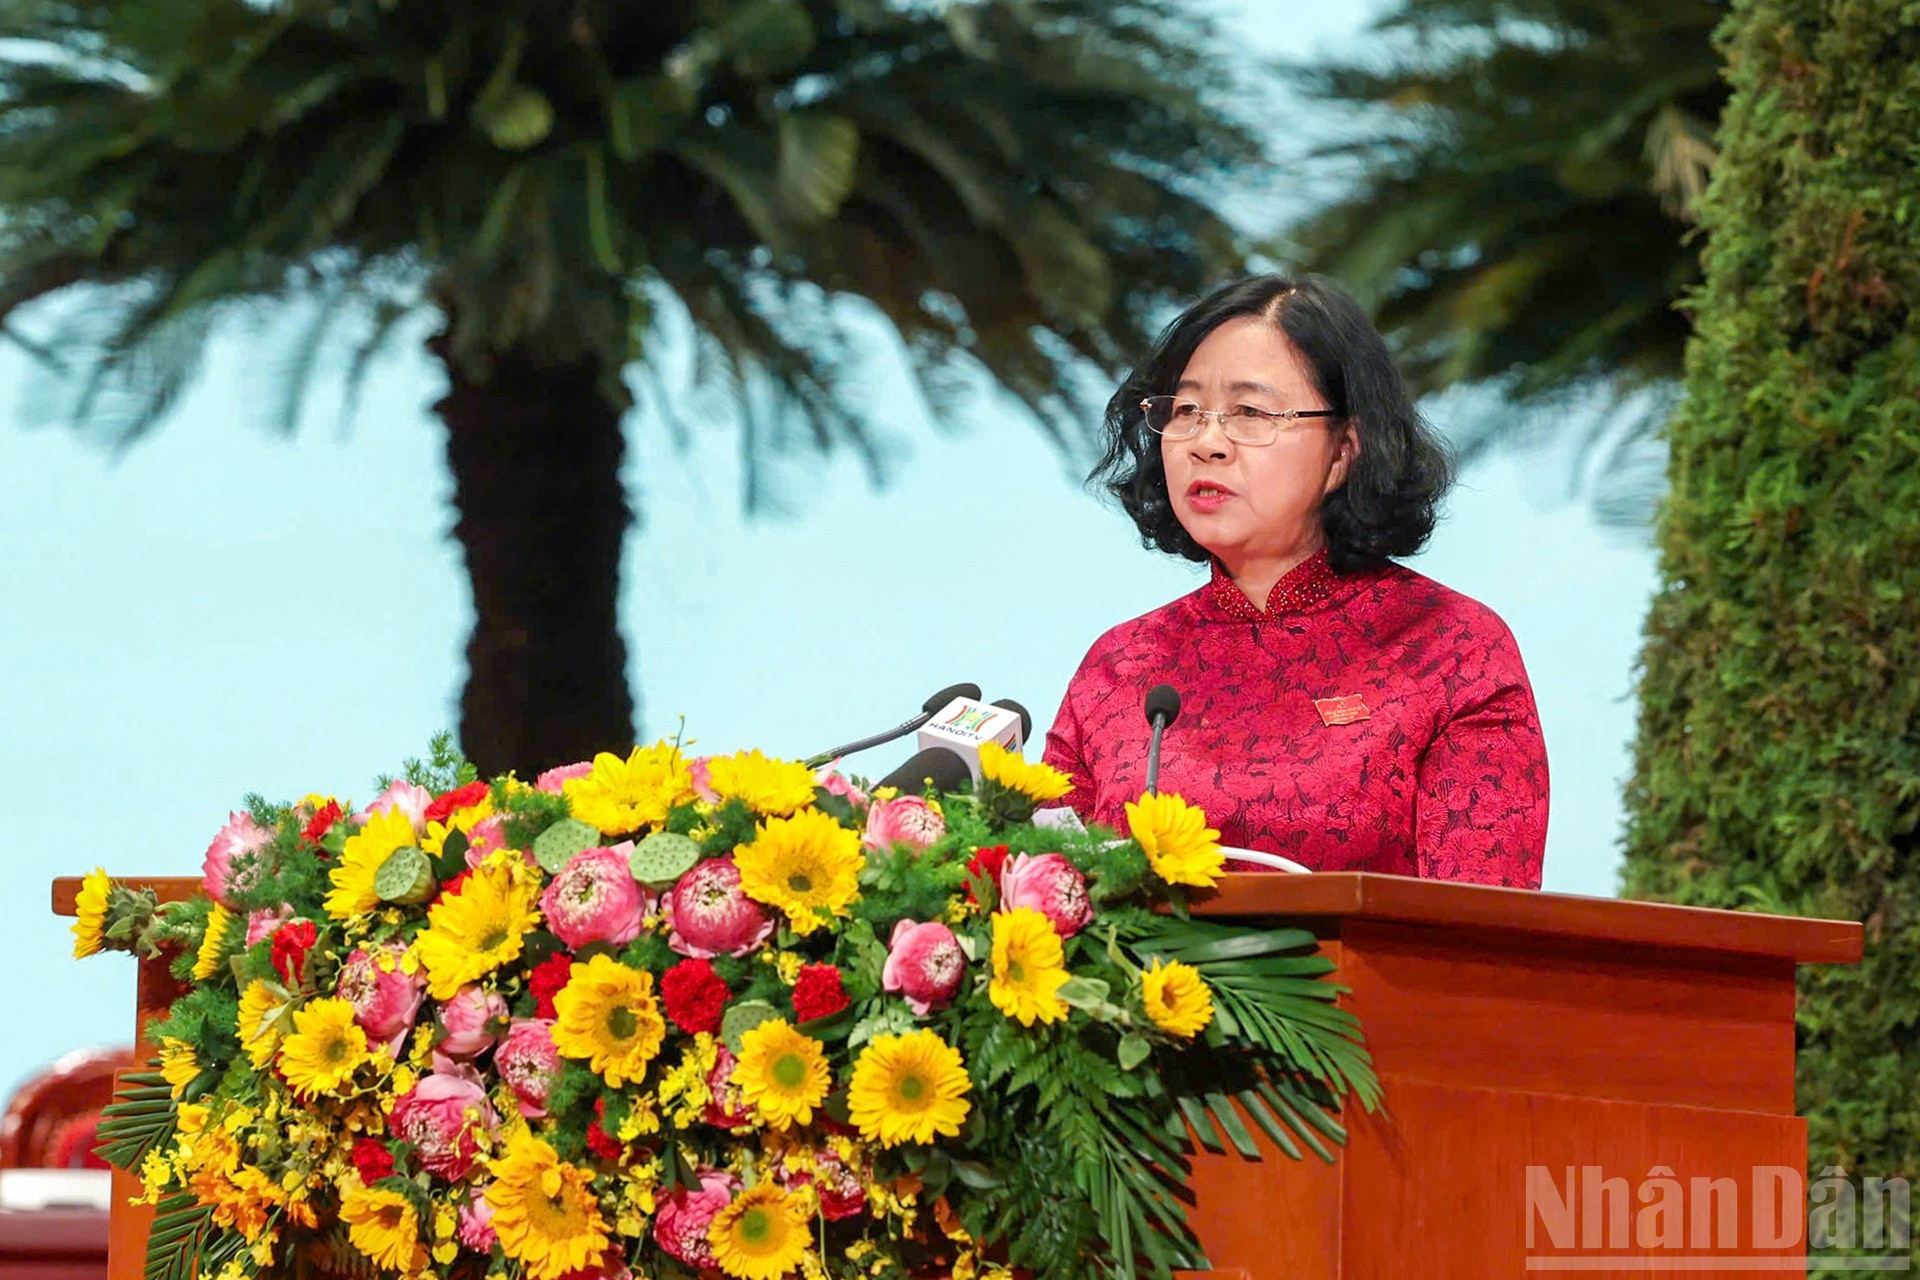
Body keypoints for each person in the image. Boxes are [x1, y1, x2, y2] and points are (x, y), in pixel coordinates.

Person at [1041, 275, 1548, 888]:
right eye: (1187, 411)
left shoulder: (1451, 649)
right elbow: (1052, 896)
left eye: (1250, 413)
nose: (1207, 443)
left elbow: (1479, 931)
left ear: (1343, 452)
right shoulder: (1121, 666)